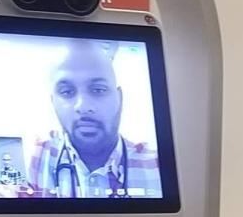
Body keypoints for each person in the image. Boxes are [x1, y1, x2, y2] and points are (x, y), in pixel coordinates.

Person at [27, 42, 159, 198]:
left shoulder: (156, 165)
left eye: (98, 90)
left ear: (120, 99)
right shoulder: (42, 155)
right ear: (53, 102)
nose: (83, 106)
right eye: (67, 92)